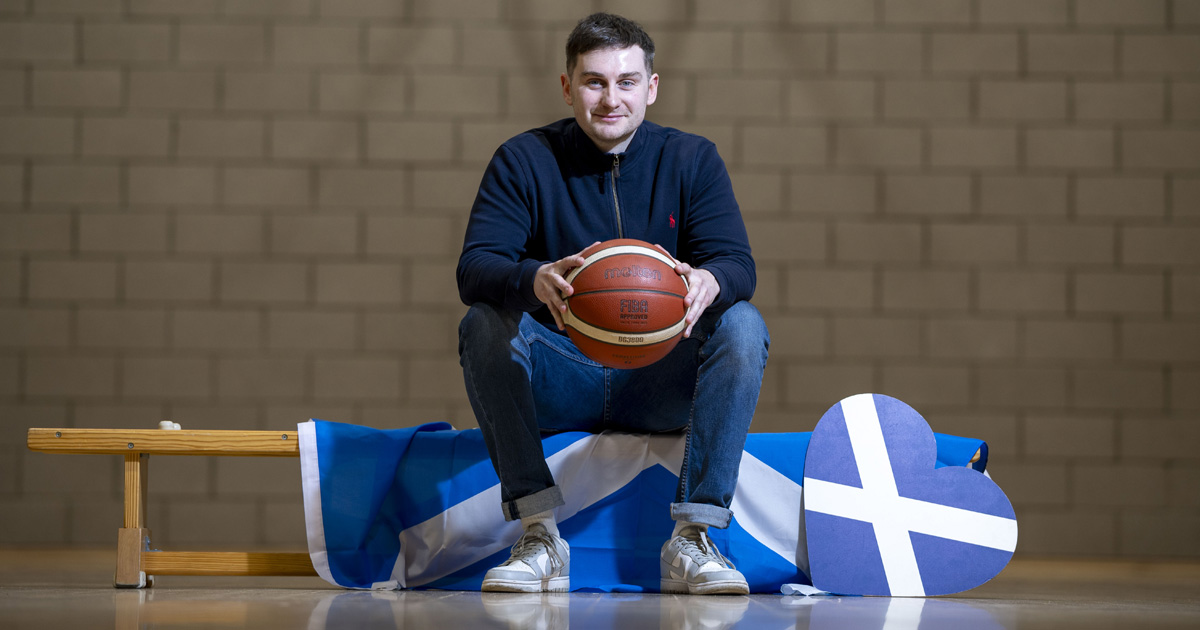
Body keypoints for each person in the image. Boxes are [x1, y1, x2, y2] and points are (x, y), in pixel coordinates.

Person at [456, 12, 769, 596]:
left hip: (658, 377)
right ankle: (539, 535)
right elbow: (474, 269)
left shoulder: (692, 159)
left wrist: (711, 280)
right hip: (562, 374)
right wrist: (533, 277)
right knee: (483, 323)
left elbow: (738, 265)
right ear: (567, 86)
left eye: (626, 81)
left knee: (743, 323)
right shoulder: (524, 159)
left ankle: (693, 537)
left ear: (651, 87)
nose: (610, 98)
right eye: (594, 81)